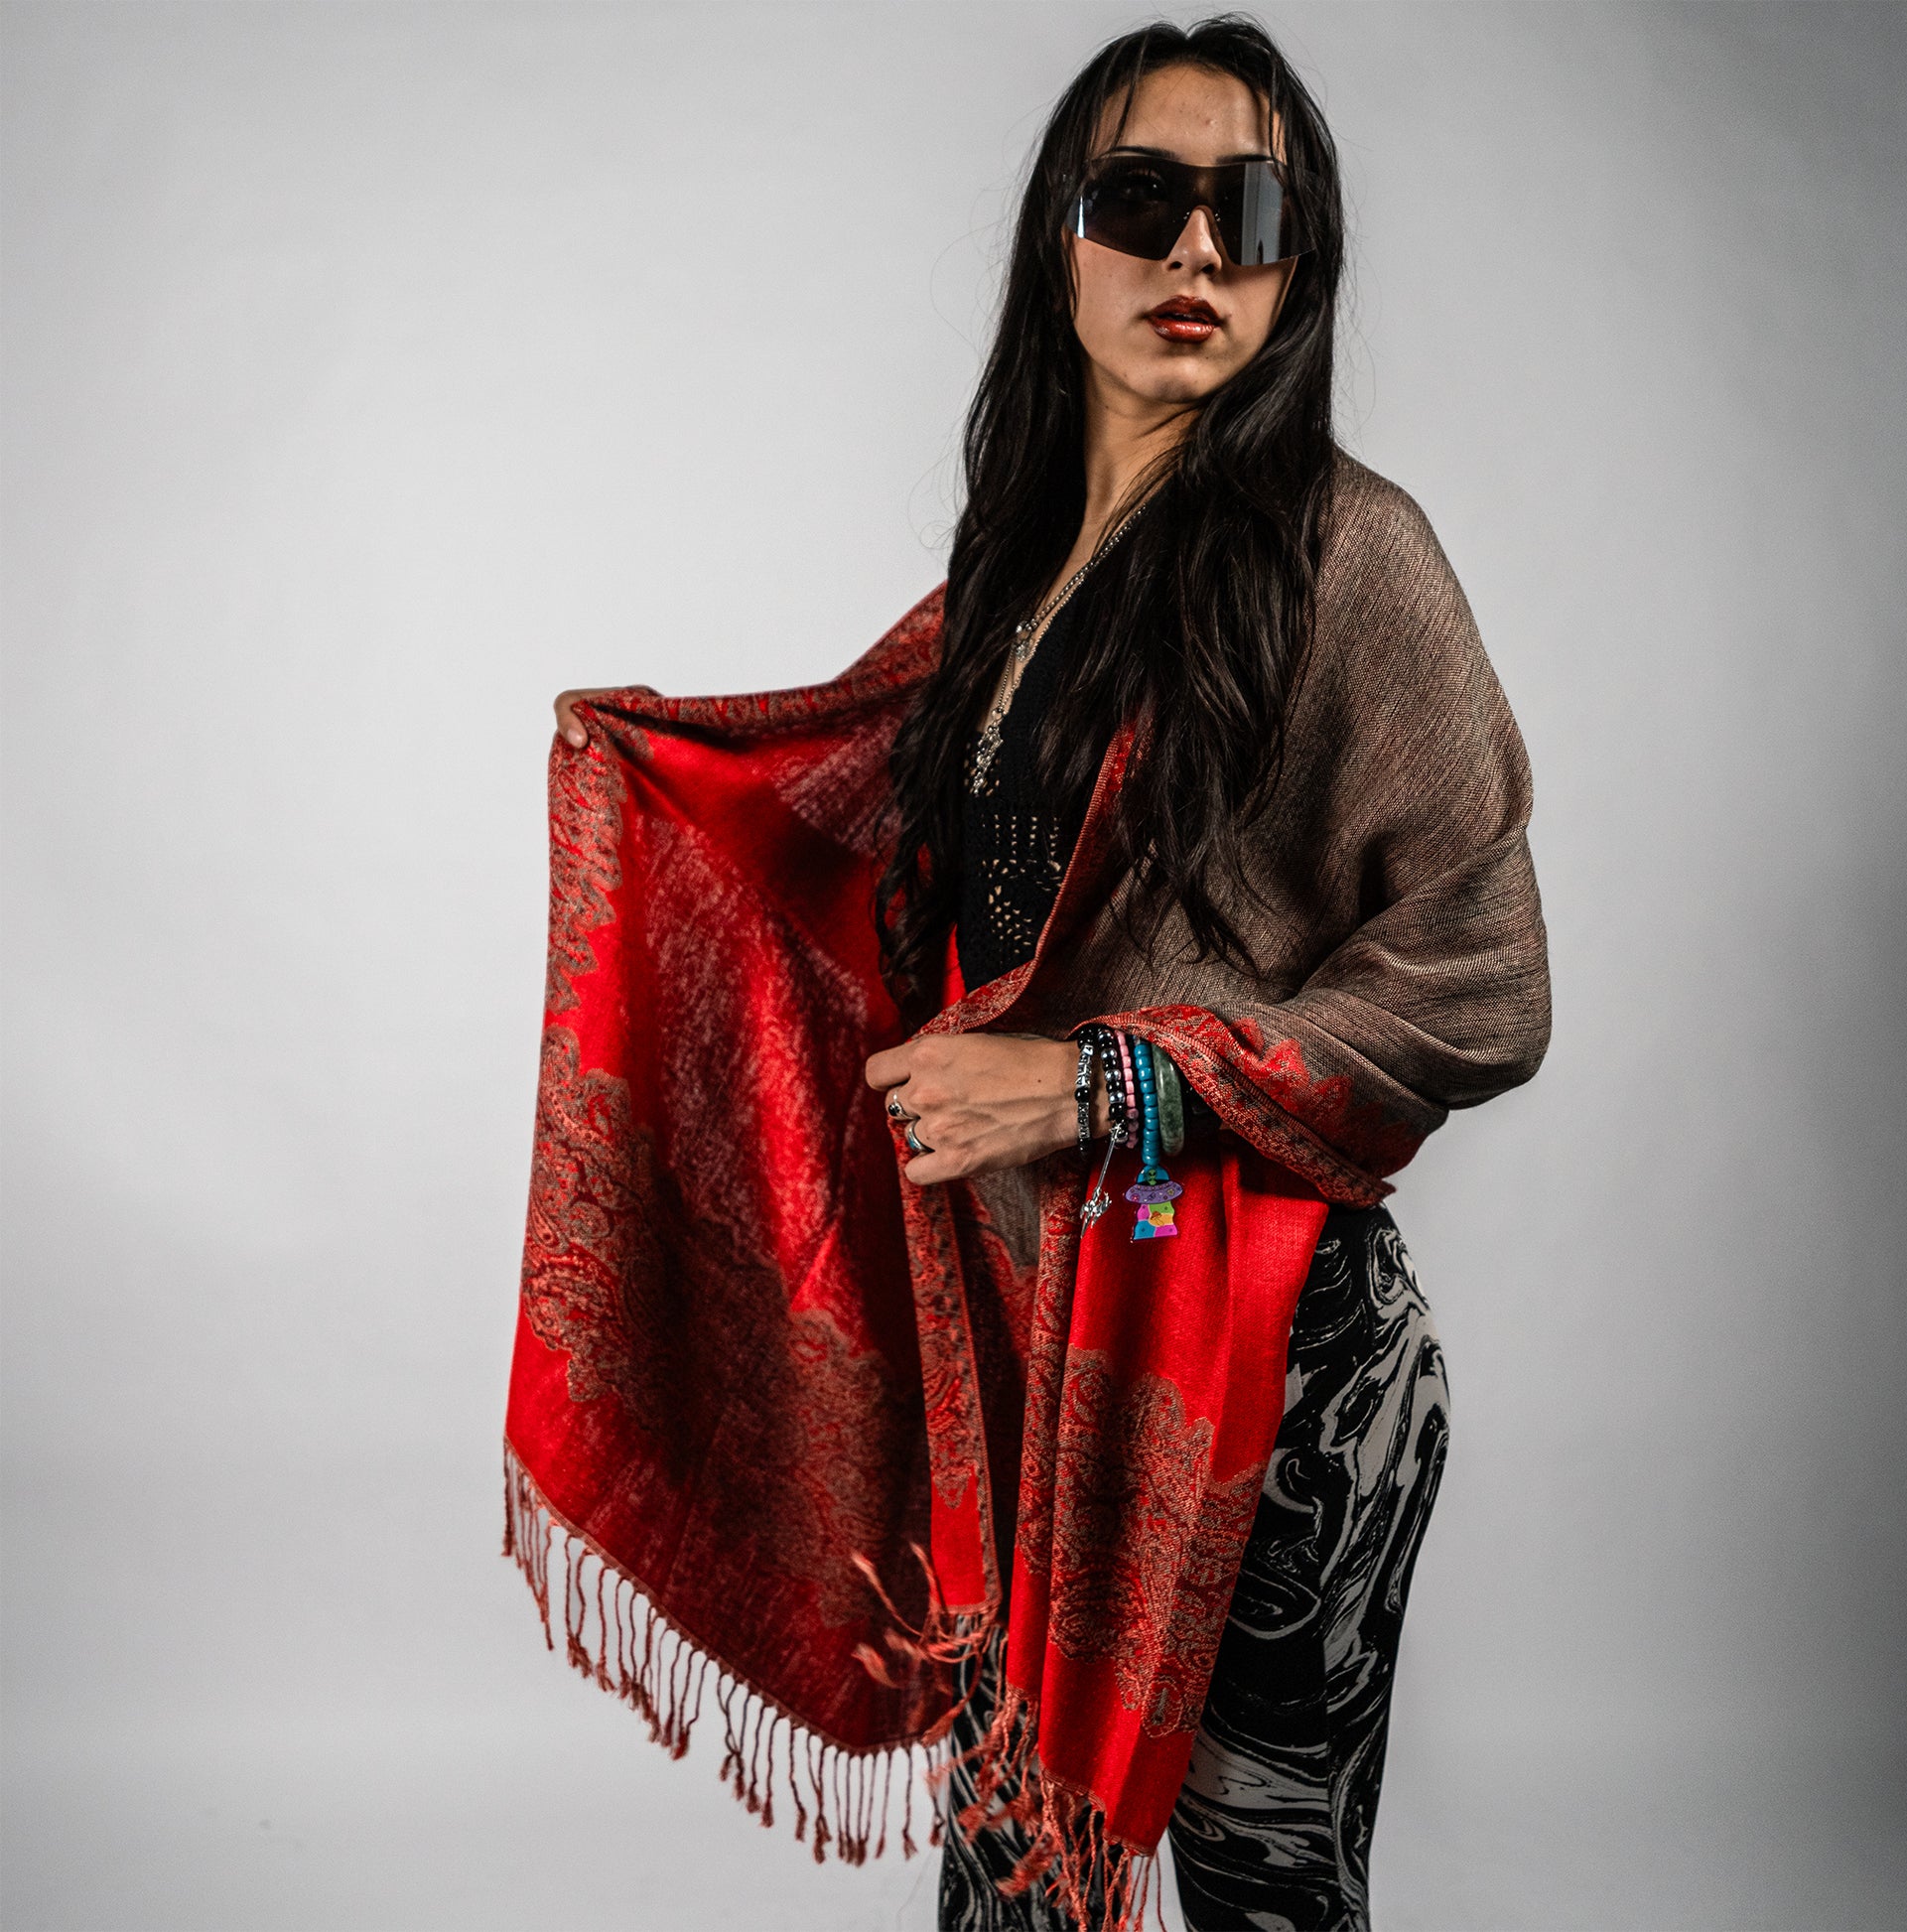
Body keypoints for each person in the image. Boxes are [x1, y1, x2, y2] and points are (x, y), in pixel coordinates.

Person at [537, 18, 1548, 1932]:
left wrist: (1103, 1081)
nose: (1195, 251)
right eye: (1140, 198)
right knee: (1009, 1898)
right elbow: (868, 866)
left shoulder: (1350, 557)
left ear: (1299, 261)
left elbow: (1483, 978)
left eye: (1247, 212)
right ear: (1058, 241)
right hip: (1035, 1363)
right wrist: (668, 782)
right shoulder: (1010, 580)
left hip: (1270, 1374)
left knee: (1262, 1902)